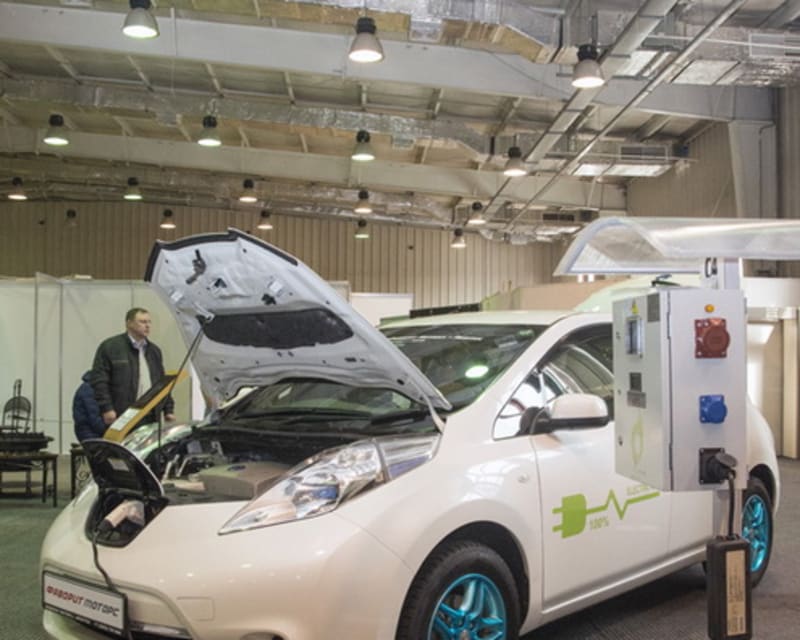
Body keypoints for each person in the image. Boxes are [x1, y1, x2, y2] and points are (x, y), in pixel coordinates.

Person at [90, 307, 175, 427]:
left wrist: (168, 410)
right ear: (129, 323)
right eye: (142, 322)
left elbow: (161, 383)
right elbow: (99, 381)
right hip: (121, 414)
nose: (147, 326)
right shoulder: (111, 347)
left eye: (149, 322)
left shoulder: (154, 351)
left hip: (150, 415)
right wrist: (107, 408)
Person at [72, 371, 106, 442]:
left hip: (89, 433)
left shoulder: (90, 387)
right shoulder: (89, 389)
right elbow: (96, 422)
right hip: (91, 436)